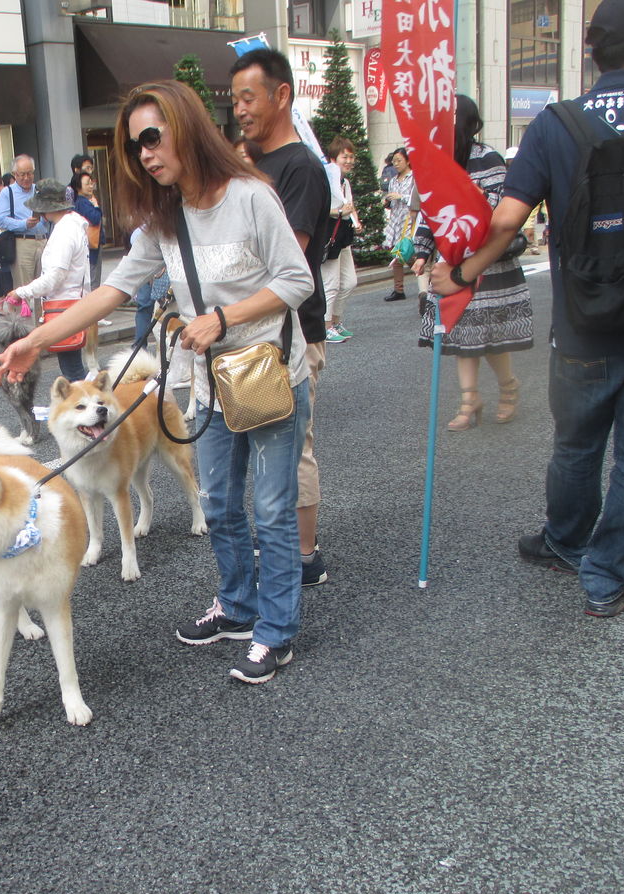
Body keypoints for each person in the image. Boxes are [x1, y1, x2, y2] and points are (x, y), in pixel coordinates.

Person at [0, 80, 314, 684]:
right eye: (137, 146)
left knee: (269, 509)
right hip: (211, 384)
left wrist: (221, 318)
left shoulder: (250, 196)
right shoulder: (164, 219)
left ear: (187, 126)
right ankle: (238, 606)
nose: (147, 154)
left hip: (267, 377)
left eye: (153, 137)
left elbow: (298, 280)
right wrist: (33, 340)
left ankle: (276, 630)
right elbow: (112, 290)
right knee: (216, 500)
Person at [431, 0, 624, 618]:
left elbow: (507, 218)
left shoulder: (557, 124)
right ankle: (607, 576)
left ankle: (565, 539)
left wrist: (462, 274)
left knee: (576, 444)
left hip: (583, 326)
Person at [230, 47, 333, 588]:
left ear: (282, 95)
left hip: (292, 332)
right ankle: (281, 542)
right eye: (235, 100)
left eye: (249, 97)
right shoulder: (252, 162)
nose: (240, 110)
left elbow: (287, 262)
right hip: (252, 332)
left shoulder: (300, 168)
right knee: (262, 445)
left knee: (294, 447)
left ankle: (304, 553)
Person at [414, 95, 534, 431]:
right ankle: (470, 401)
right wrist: (422, 250)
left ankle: (508, 387)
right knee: (463, 333)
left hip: (488, 263)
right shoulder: (437, 161)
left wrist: (474, 211)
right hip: (452, 263)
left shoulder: (488, 158)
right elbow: (430, 211)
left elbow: (501, 209)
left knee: (491, 335)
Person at [10, 178, 91, 382]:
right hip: (72, 302)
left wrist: (22, 292)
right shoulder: (71, 225)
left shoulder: (64, 231)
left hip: (64, 304)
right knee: (73, 367)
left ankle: (87, 409)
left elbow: (55, 277)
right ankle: (86, 407)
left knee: (73, 371)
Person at [323, 136, 362, 343]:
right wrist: (339, 211)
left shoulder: (344, 182)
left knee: (349, 282)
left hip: (343, 234)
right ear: (332, 159)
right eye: (344, 157)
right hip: (330, 235)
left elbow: (350, 205)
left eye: (350, 156)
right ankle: (325, 326)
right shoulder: (326, 181)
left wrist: (355, 219)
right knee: (331, 283)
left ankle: (336, 322)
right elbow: (318, 210)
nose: (348, 161)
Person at [0, 154, 48, 290]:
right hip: (22, 242)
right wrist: (23, 224)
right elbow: (1, 220)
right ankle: (21, 312)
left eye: (30, 173)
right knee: (23, 289)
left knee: (43, 287)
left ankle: (42, 312)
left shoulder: (39, 190)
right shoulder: (7, 193)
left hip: (42, 241)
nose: (26, 178)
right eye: (22, 174)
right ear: (14, 174)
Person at [382, 148, 415, 302]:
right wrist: (387, 202)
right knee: (397, 255)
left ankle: (426, 279)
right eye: (394, 161)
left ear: (408, 161)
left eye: (399, 160)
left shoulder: (414, 178)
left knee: (407, 253)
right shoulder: (393, 180)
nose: (396, 164)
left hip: (409, 220)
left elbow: (417, 199)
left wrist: (401, 196)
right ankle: (398, 289)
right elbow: (391, 204)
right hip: (396, 220)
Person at [70, 168, 104, 293]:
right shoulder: (83, 202)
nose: (91, 186)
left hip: (86, 245)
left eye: (91, 183)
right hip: (91, 245)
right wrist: (96, 206)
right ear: (78, 187)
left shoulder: (78, 202)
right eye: (87, 184)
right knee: (93, 281)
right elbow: (95, 218)